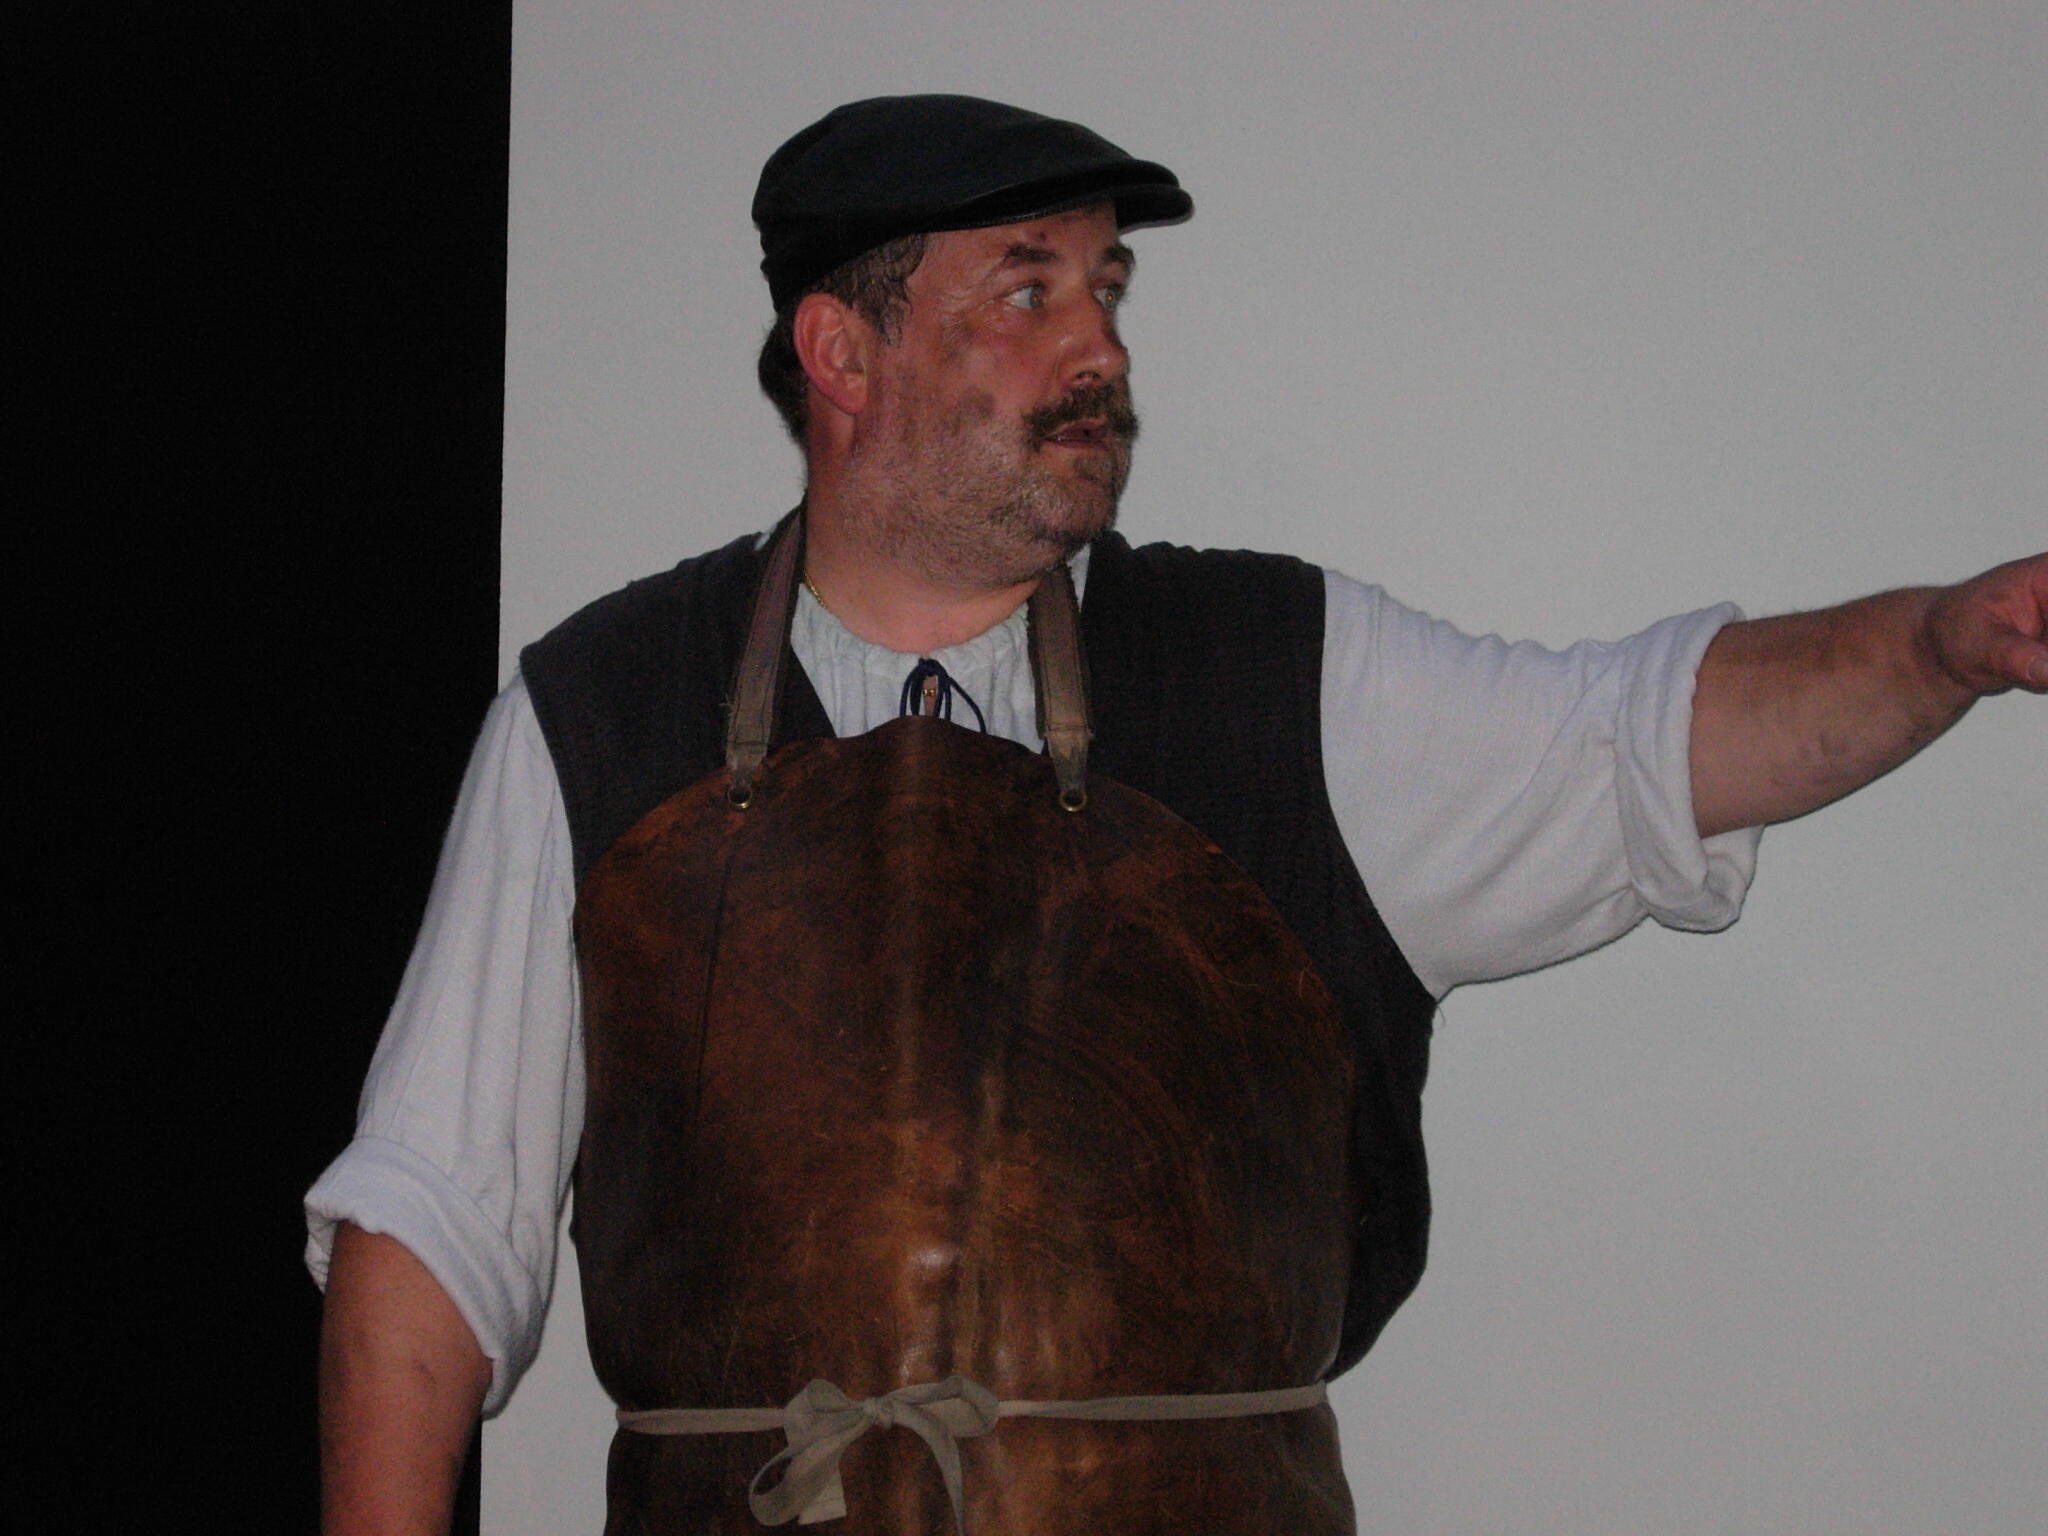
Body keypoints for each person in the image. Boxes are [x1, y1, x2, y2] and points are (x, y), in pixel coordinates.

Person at [309, 95, 2046, 1536]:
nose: (1101, 347)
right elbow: (431, 1237)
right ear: (842, 350)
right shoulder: (602, 712)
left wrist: (1943, 643)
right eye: (1028, 289)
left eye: (1108, 288)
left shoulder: (1273, 672)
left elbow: (1646, 736)